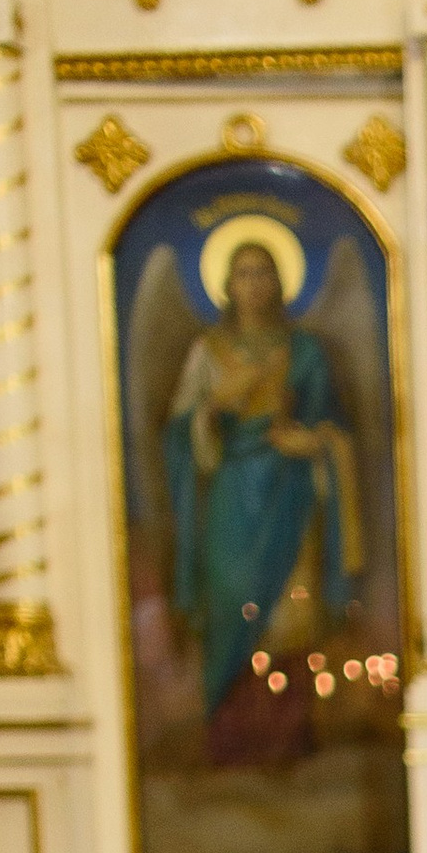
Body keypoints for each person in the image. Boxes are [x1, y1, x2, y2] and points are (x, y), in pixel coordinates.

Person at [164, 238, 361, 767]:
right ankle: (229, 743)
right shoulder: (207, 353)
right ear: (226, 285)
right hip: (231, 499)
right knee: (231, 605)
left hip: (291, 496)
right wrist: (214, 407)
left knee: (288, 618)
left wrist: (313, 440)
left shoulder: (305, 353)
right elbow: (181, 438)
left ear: (280, 282)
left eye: (263, 272)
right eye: (243, 273)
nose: (254, 284)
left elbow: (333, 424)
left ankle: (287, 744)